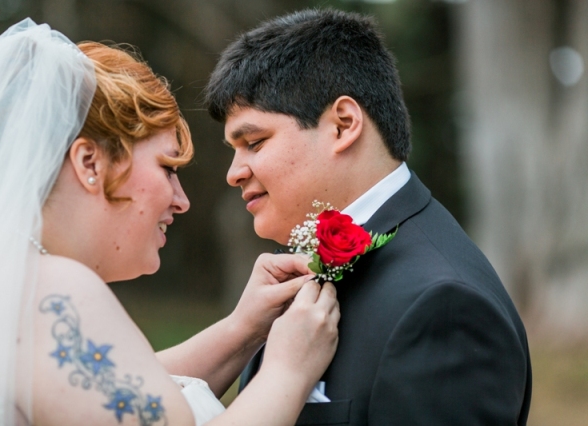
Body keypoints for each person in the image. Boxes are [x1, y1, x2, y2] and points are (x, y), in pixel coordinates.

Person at [0, 19, 340, 425]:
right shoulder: (54, 292)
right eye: (167, 167)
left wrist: (242, 331)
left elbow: (111, 394)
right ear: (90, 163)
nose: (182, 200)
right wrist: (287, 372)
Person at [205, 8, 532, 425]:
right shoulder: (293, 273)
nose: (234, 172)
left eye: (254, 141)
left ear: (343, 125)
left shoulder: (444, 308)